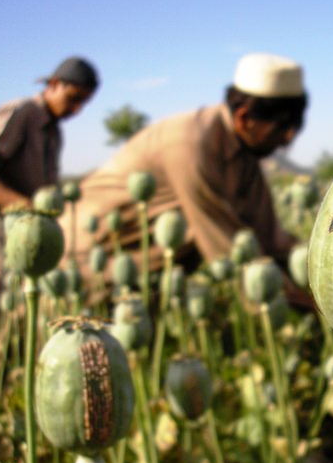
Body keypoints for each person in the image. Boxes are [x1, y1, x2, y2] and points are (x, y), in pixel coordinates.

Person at [60, 52, 311, 307]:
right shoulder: (189, 146)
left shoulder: (245, 155)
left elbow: (270, 239)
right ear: (245, 118)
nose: (288, 140)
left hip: (141, 283)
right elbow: (230, 253)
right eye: (283, 128)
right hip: (82, 269)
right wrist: (317, 309)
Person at [0, 57, 98, 314]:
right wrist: (22, 206)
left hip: (28, 231)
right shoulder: (23, 113)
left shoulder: (54, 132)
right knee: (7, 307)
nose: (77, 109)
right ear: (55, 84)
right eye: (74, 98)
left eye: (83, 102)